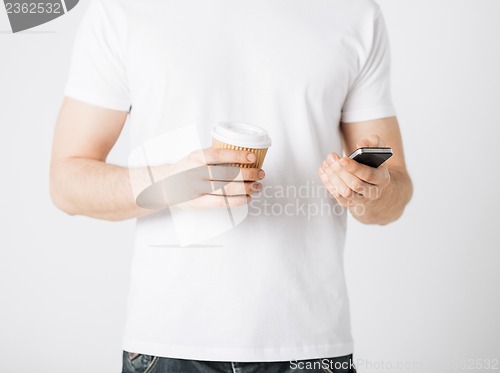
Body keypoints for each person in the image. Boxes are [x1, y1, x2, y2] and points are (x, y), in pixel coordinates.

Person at [50, 0, 413, 372]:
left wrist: (370, 189)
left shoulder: (353, 12)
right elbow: (67, 182)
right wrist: (171, 184)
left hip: (311, 345)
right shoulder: (122, 9)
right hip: (169, 343)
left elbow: (394, 187)